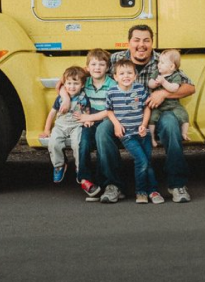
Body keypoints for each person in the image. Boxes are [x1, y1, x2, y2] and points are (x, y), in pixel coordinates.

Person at [96, 24, 195, 204]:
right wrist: (63, 86)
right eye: (137, 40)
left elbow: (190, 87)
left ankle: (177, 184)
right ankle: (114, 185)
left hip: (157, 113)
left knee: (172, 125)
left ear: (152, 43)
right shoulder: (116, 59)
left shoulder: (163, 60)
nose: (141, 45)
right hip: (122, 115)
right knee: (103, 131)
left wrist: (164, 93)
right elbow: (88, 73)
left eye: (146, 40)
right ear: (129, 42)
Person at [104, 59, 164, 204]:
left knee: (147, 162)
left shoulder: (139, 89)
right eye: (122, 73)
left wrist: (144, 125)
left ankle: (153, 191)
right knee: (141, 161)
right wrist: (117, 125)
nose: (126, 76)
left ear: (135, 75)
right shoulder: (111, 92)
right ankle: (141, 192)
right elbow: (109, 111)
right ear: (115, 77)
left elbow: (146, 108)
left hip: (142, 133)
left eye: (129, 73)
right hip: (128, 135)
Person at [74, 48, 116, 200]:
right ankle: (85, 180)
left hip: (105, 120)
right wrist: (87, 116)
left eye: (101, 64)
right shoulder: (85, 83)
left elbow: (111, 109)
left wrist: (91, 116)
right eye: (93, 64)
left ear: (107, 67)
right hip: (89, 121)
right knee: (83, 142)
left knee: (100, 146)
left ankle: (101, 184)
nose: (97, 68)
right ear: (87, 67)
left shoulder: (112, 84)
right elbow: (70, 88)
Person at [39, 66, 90, 183]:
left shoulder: (83, 97)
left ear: (82, 85)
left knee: (78, 144)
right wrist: (47, 130)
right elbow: (52, 113)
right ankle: (59, 165)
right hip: (60, 126)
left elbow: (87, 110)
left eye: (75, 83)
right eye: (69, 83)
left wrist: (87, 120)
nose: (72, 87)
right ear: (64, 85)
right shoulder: (60, 99)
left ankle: (79, 167)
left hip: (76, 125)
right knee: (53, 143)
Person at [147, 49, 190, 148]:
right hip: (158, 106)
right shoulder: (157, 73)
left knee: (184, 115)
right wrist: (154, 83)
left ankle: (184, 133)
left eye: (162, 63)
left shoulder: (176, 75)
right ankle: (152, 137)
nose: (159, 65)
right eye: (159, 62)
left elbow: (174, 88)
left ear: (172, 66)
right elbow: (150, 84)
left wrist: (163, 83)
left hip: (173, 105)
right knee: (152, 118)